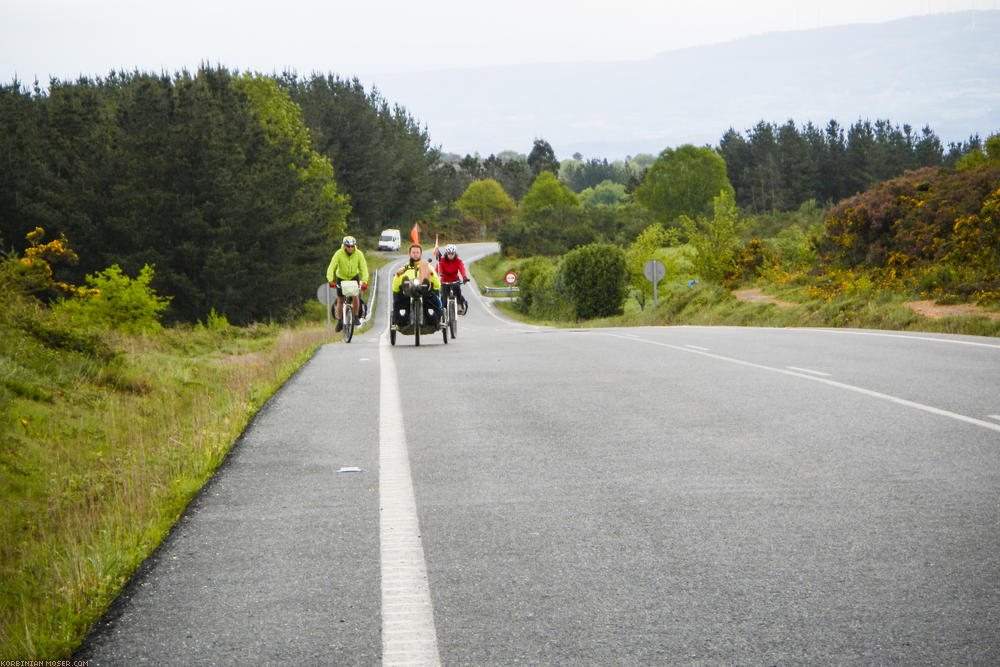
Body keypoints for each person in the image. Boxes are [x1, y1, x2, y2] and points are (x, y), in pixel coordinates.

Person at [392, 243, 443, 328]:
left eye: (417, 252)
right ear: (410, 254)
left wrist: (434, 283)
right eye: (413, 252)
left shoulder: (426, 266)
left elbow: (436, 281)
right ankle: (409, 286)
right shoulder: (405, 268)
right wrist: (396, 290)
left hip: (425, 290)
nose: (415, 255)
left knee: (426, 280)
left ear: (420, 254)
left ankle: (423, 286)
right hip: (409, 290)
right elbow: (396, 280)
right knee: (406, 280)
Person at [326, 235, 369, 332]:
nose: (350, 248)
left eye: (352, 246)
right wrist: (330, 280)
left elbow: (364, 268)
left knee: (355, 296)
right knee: (340, 300)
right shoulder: (338, 254)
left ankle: (356, 317)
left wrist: (365, 282)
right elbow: (331, 267)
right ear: (344, 246)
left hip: (354, 277)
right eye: (348, 246)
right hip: (341, 278)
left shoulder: (359, 254)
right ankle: (340, 320)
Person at [436, 244, 470, 315]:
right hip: (445, 280)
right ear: (446, 253)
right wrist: (439, 273)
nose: (450, 255)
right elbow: (438, 269)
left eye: (452, 253)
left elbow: (462, 269)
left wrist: (464, 277)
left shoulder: (458, 261)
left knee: (458, 291)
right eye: (449, 253)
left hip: (455, 280)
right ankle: (443, 310)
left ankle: (459, 305)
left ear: (455, 253)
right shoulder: (442, 260)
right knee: (443, 296)